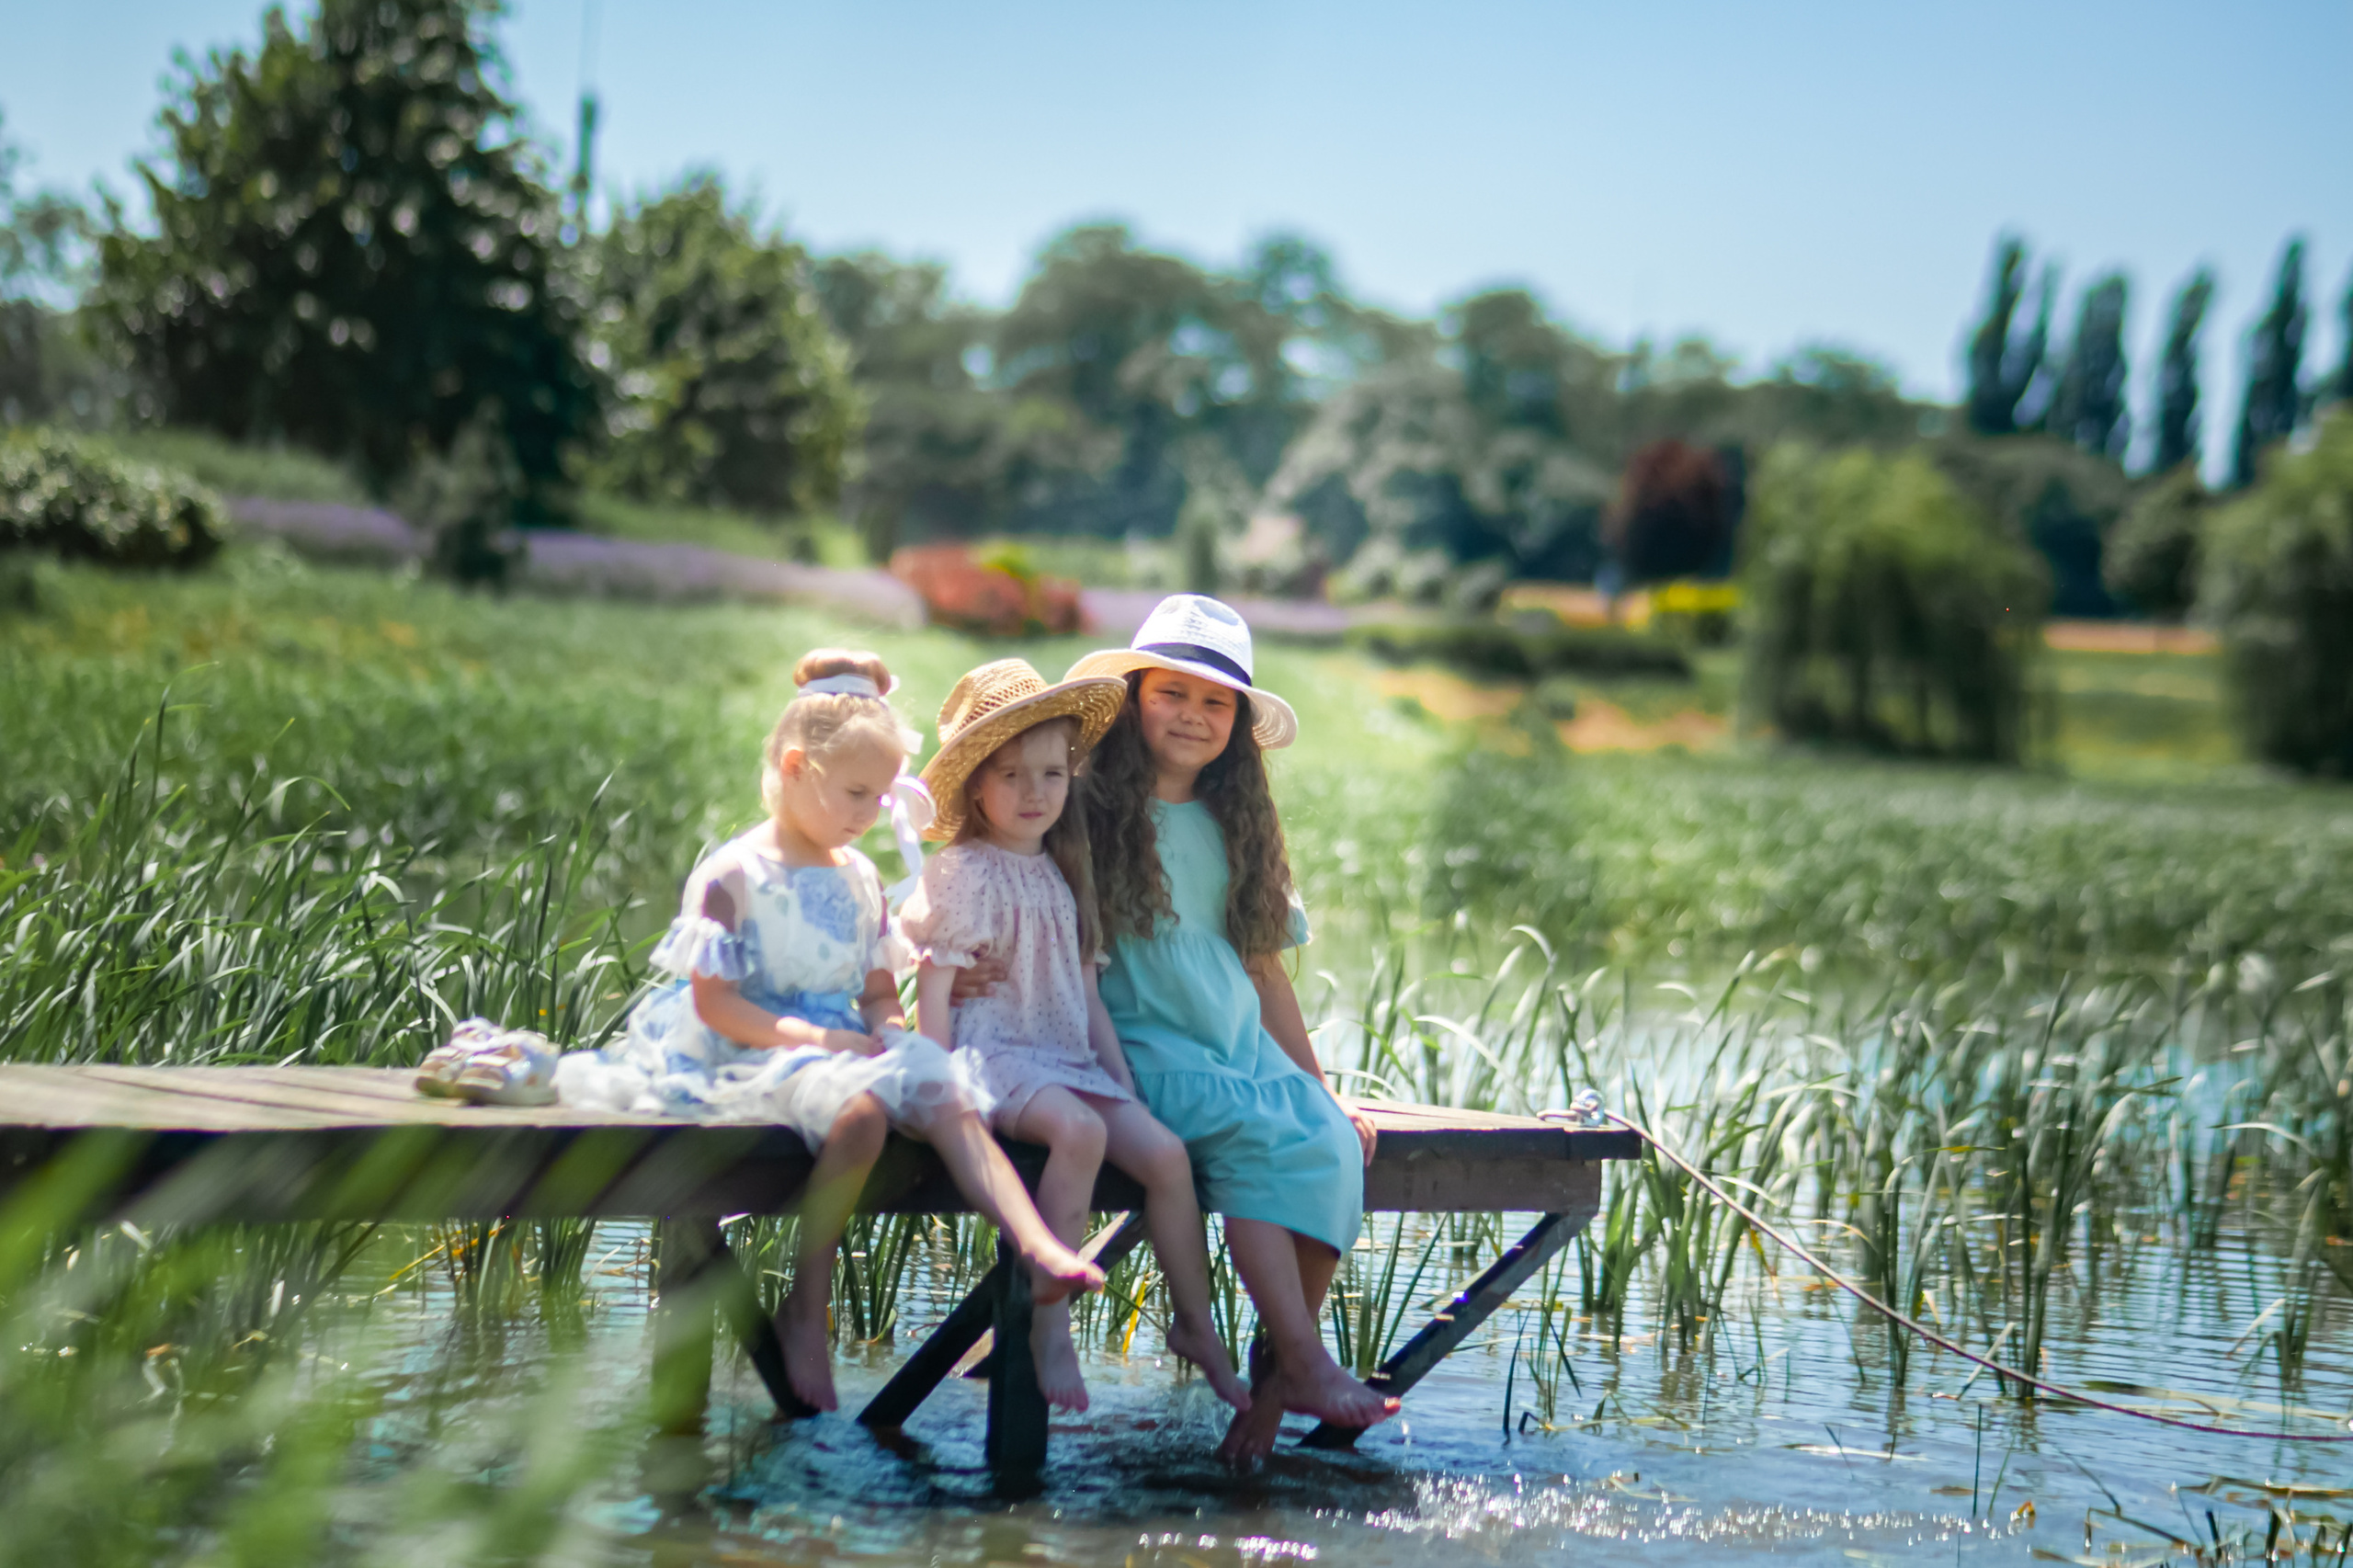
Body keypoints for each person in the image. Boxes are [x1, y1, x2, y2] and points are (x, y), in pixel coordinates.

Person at [555, 649, 1103, 1414]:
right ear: (794, 765)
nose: (863, 814)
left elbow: (881, 991)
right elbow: (715, 1006)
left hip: (841, 1043)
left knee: (946, 1090)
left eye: (879, 799)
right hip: (750, 1045)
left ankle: (1038, 1245)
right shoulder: (734, 875)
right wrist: (825, 1042)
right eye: (853, 792)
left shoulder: (860, 878)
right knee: (862, 1113)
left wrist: (889, 1031)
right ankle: (805, 1303)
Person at [1068, 595, 1398, 1462]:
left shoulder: (1237, 823)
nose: (1193, 715)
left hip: (1235, 1047)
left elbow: (1264, 970)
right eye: (1173, 693)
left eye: (1217, 704)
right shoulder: (1087, 812)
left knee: (1328, 1141)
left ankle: (1278, 1375)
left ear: (1239, 726)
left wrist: (1321, 1091)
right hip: (1142, 1047)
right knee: (1254, 1133)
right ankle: (1304, 1360)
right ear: (1134, 696)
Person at [899, 659, 1254, 1419]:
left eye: (1053, 775)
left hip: (1065, 1059)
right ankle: (1048, 1326)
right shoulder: (960, 871)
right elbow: (932, 987)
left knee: (1162, 1153)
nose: (1035, 794)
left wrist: (1121, 1081)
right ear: (974, 787)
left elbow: (1086, 992)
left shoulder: (1064, 871)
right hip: (991, 1059)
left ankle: (1197, 1326)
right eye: (1011, 775)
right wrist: (933, 1086)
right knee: (1079, 1129)